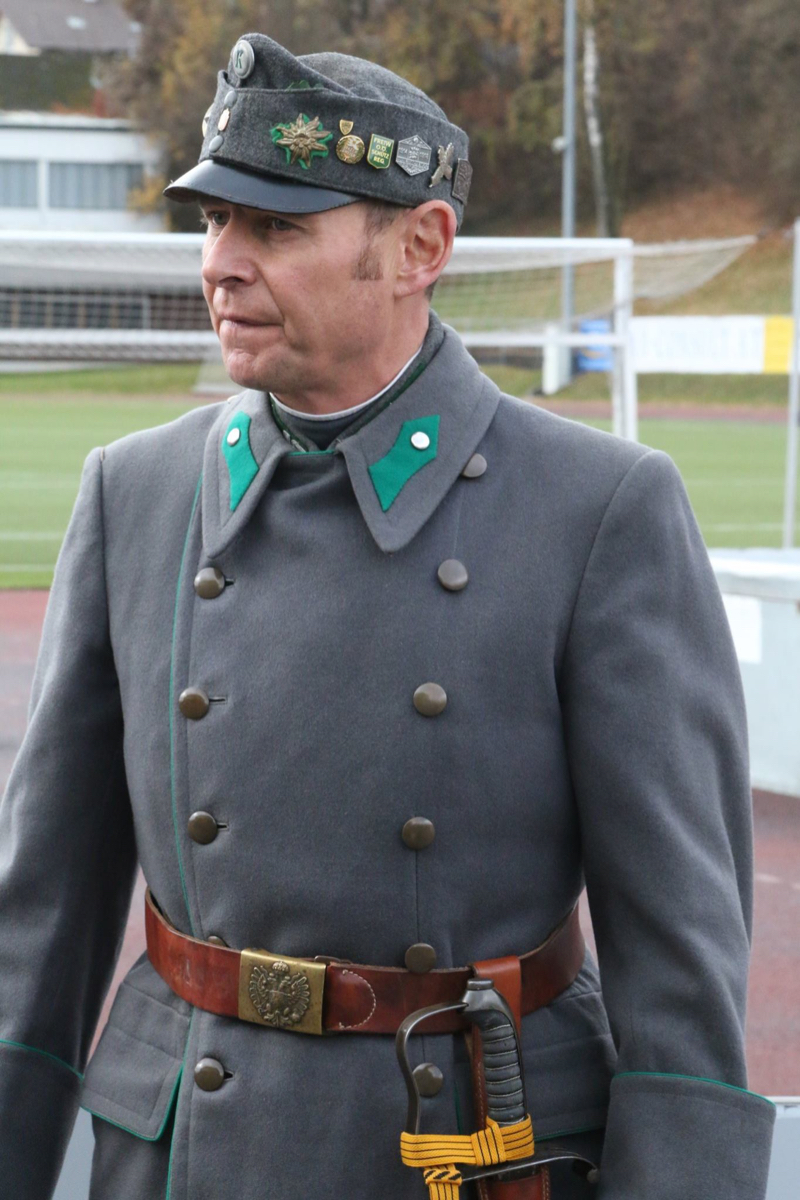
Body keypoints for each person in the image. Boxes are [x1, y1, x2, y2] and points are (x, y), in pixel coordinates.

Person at [0, 30, 776, 1200]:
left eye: (276, 229)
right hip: (180, 1154)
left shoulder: (595, 510)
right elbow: (42, 917)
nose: (221, 265)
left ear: (421, 246)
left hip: (464, 1150)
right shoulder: (136, 493)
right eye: (213, 221)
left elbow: (681, 959)